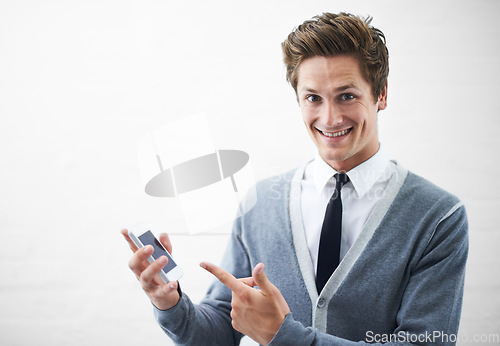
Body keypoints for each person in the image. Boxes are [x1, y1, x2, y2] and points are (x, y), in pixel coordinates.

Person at [122, 12, 468, 345]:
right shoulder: (260, 205)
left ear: (381, 94)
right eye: (313, 98)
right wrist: (169, 303)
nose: (330, 118)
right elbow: (218, 334)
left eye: (347, 96)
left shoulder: (438, 216)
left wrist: (284, 337)